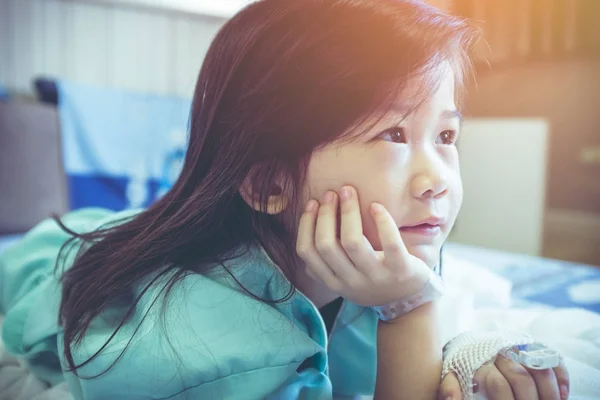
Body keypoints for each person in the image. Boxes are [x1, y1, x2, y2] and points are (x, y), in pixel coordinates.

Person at [0, 0, 569, 399]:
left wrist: (464, 350)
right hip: (44, 260)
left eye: (446, 136)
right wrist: (407, 308)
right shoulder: (211, 358)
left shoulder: (385, 245)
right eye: (392, 135)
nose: (436, 180)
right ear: (271, 185)